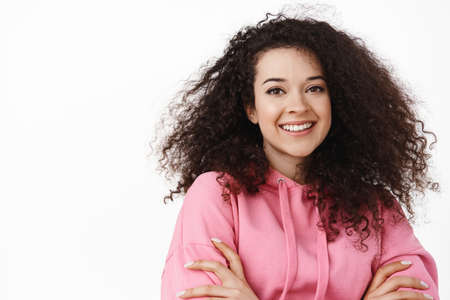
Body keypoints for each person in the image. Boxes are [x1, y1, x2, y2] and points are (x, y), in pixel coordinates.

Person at [155, 11, 440, 300]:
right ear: (251, 108)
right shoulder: (218, 195)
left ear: (336, 100)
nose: (298, 106)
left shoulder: (377, 208)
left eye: (314, 88)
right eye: (276, 90)